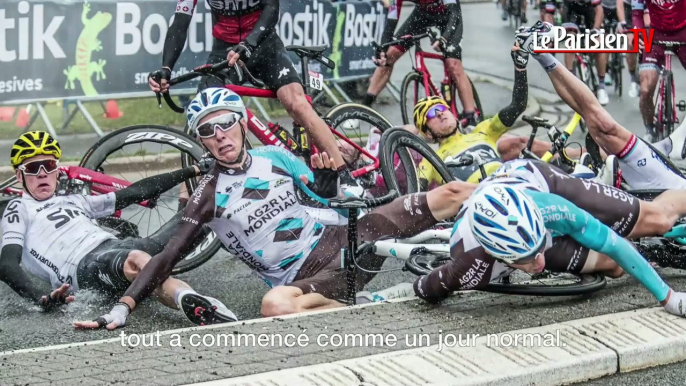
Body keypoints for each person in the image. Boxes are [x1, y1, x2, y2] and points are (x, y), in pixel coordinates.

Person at [75, 88, 474, 330]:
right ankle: (380, 303)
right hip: (314, 280)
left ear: (243, 123)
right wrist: (123, 307)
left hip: (348, 238)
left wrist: (325, 180)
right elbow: (167, 257)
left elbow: (322, 198)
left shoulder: (274, 156)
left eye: (226, 123)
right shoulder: (208, 194)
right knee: (274, 306)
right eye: (207, 131)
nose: (220, 136)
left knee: (451, 193)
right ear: (201, 140)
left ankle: (520, 194)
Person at [1, 131, 236, 326]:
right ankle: (191, 300)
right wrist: (40, 299)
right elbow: (7, 264)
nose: (42, 173)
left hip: (120, 246)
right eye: (33, 168)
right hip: (85, 266)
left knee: (210, 207)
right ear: (19, 176)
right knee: (137, 260)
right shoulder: (19, 208)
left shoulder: (74, 200)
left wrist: (193, 170)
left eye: (48, 165)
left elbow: (134, 192)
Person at [413, 170, 686, 318]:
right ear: (497, 255)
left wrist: (668, 298)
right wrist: (419, 287)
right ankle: (653, 254)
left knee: (658, 219)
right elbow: (427, 288)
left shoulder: (551, 209)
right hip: (506, 230)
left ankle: (582, 175)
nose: (539, 263)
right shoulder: (469, 265)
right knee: (614, 268)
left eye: (537, 249)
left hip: (544, 186)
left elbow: (613, 243)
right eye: (527, 259)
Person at [147, 0, 352, 183]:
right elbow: (179, 24)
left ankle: (345, 177)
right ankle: (190, 203)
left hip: (265, 46)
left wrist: (249, 43)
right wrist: (166, 68)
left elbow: (271, 7)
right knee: (204, 120)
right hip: (225, 50)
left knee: (295, 102)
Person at [524, 21, 686, 190]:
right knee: (602, 127)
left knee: (602, 128)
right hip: (669, 187)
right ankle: (541, 54)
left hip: (662, 192)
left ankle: (542, 55)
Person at [411, 42, 587, 191]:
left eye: (441, 107)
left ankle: (588, 160)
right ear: (428, 133)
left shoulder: (483, 131)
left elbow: (517, 106)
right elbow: (414, 198)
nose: (440, 112)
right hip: (477, 203)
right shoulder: (432, 160)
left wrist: (520, 67)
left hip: (514, 185)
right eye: (431, 114)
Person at [362, 0, 479, 128]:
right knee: (390, 56)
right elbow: (391, 20)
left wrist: (444, 38)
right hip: (423, 14)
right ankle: (364, 106)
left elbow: (453, 14)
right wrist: (383, 50)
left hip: (449, 14)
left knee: (453, 64)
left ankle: (471, 116)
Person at [632, 0, 686, 142]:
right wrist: (638, 35)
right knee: (645, 90)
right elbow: (636, 15)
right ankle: (650, 129)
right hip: (656, 34)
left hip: (683, 32)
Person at [543, 0, 609, 105]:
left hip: (590, 16)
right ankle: (570, 81)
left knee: (599, 43)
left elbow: (599, 9)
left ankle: (601, 86)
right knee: (570, 39)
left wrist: (596, 29)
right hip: (571, 15)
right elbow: (548, 15)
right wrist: (548, 34)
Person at [613, 0, 640, 97]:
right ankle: (633, 77)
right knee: (631, 43)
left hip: (644, 12)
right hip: (628, 13)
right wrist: (623, 23)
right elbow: (620, 6)